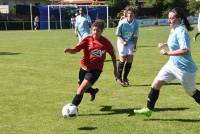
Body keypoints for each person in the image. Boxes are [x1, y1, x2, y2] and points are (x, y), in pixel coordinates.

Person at [134, 7, 200, 117]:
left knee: (192, 92)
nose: (169, 20)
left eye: (172, 18)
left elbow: (185, 50)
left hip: (184, 68)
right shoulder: (173, 28)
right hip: (172, 64)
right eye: (168, 18)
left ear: (178, 18)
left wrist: (168, 53)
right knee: (156, 83)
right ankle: (149, 109)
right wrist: (165, 44)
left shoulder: (181, 31)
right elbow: (174, 43)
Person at [64, 19, 118, 108]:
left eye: (98, 30)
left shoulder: (106, 43)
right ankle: (92, 91)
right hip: (84, 67)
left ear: (102, 31)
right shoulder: (87, 39)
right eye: (94, 30)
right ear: (91, 29)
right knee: (83, 88)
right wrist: (70, 50)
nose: (95, 32)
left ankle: (72, 108)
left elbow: (113, 56)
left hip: (95, 70)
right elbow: (76, 49)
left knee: (81, 89)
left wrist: (115, 71)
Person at [115, 6, 139, 86]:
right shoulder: (122, 22)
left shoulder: (136, 23)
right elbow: (118, 34)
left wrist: (135, 45)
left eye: (132, 14)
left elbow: (135, 35)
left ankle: (125, 78)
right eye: (129, 13)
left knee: (130, 59)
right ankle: (119, 78)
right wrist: (123, 41)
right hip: (121, 41)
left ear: (134, 15)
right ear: (126, 14)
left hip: (131, 42)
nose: (130, 15)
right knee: (123, 58)